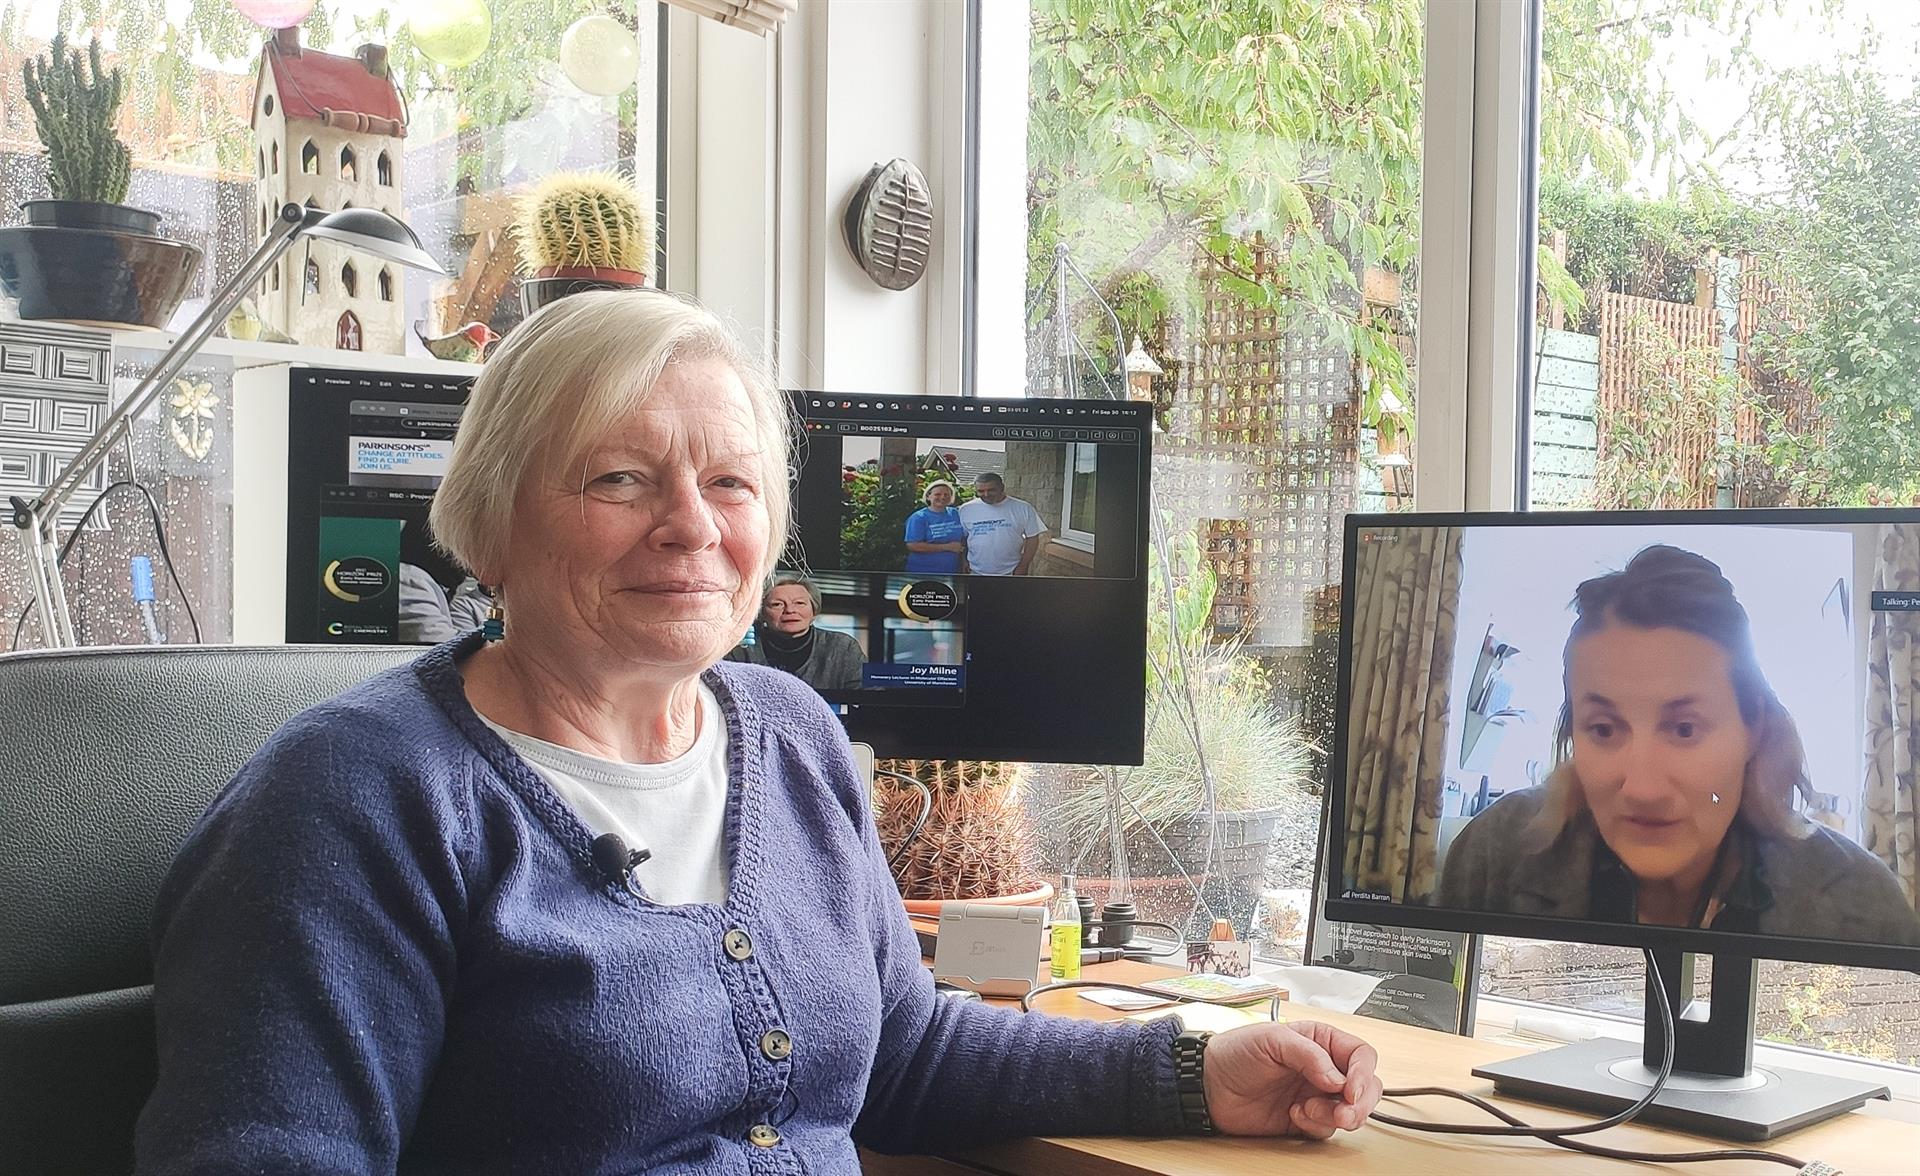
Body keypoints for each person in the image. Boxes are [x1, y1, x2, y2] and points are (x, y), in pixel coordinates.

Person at [135, 291, 1382, 1174]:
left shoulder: (786, 731)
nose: (690, 525)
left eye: (729, 483)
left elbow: (906, 1048)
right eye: (620, 478)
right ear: (493, 517)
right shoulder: (355, 800)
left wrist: (1189, 1074)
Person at [1438, 544, 1920, 945]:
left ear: (1752, 729)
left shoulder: (1860, 908)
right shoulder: (1493, 855)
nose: (1642, 789)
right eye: (1604, 729)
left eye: (1684, 729)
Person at [725, 575, 865, 692]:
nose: (790, 610)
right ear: (761, 613)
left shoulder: (842, 647)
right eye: (777, 604)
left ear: (814, 611)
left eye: (799, 603)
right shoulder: (741, 646)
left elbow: (867, 697)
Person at [957, 471, 1048, 575]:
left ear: (1002, 487)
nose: (986, 494)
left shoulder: (1023, 508)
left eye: (991, 490)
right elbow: (962, 538)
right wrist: (963, 560)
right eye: (981, 491)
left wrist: (1023, 565)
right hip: (975, 572)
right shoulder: (966, 509)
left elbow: (1032, 538)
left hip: (1012, 572)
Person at [903, 478, 968, 574]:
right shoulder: (919, 517)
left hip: (951, 570)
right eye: (937, 494)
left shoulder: (956, 513)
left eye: (946, 494)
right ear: (928, 496)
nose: (942, 497)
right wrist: (946, 547)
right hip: (923, 570)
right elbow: (912, 545)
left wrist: (964, 561)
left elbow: (963, 540)